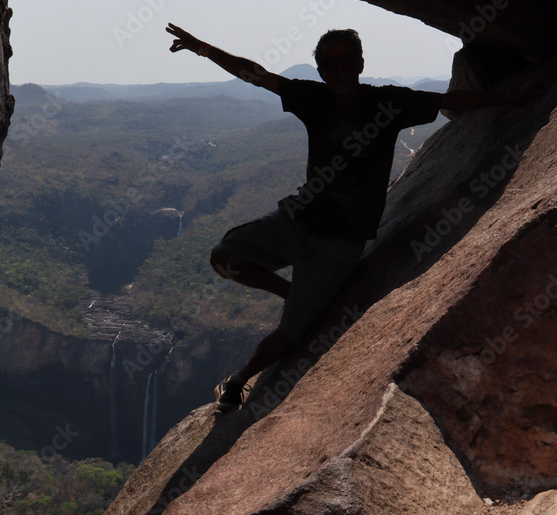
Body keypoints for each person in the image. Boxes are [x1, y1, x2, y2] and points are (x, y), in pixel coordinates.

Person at [166, 21, 541, 412]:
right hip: (298, 219)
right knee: (224, 258)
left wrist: (510, 97)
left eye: (347, 61)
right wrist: (203, 49)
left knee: (294, 331)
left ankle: (239, 381)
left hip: (339, 242)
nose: (340, 70)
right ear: (321, 70)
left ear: (361, 63)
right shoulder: (313, 98)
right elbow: (257, 76)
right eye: (330, 64)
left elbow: (451, 99)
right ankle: (293, 294)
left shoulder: (387, 103)